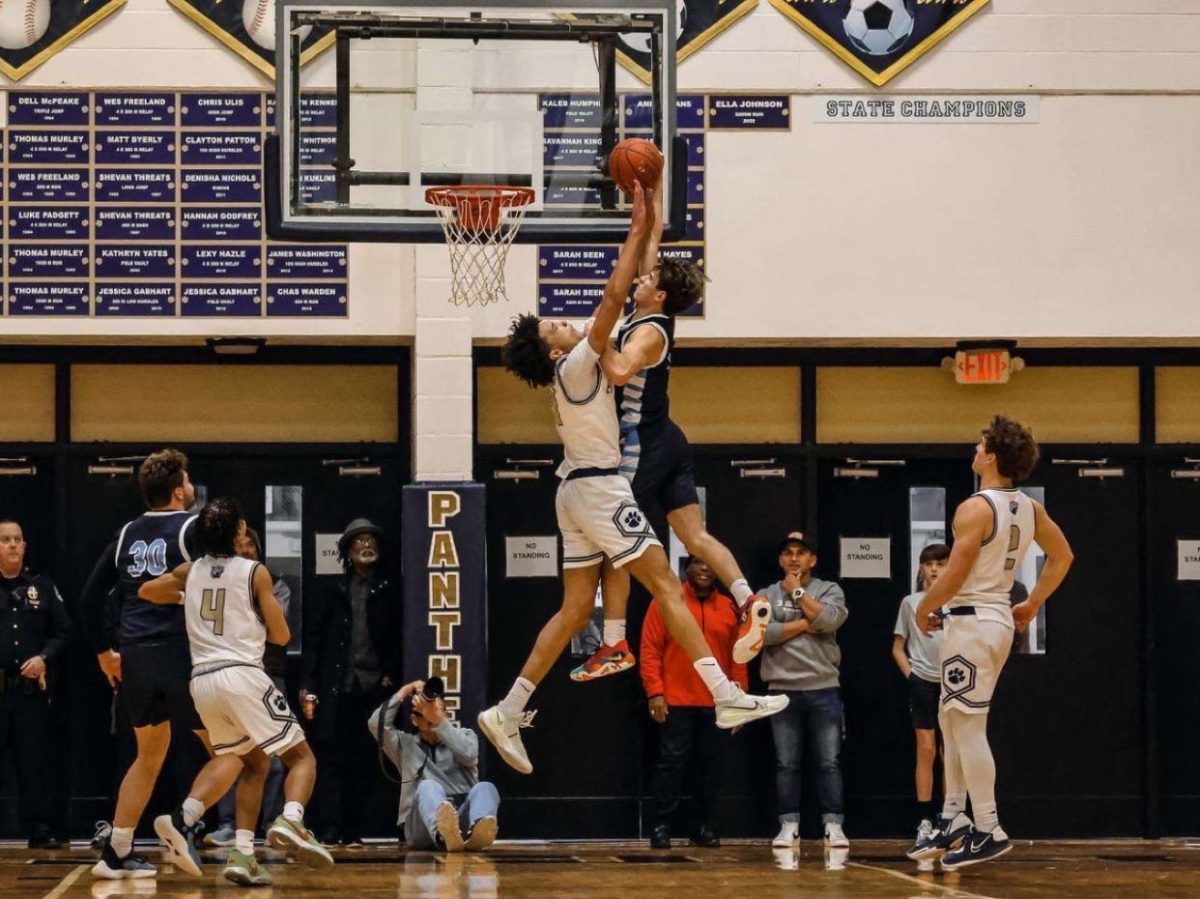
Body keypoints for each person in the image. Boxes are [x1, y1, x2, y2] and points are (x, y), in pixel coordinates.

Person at [482, 179, 786, 776]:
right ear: (552, 351)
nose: (565, 324)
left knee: (573, 612)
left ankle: (508, 708)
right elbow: (617, 289)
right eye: (554, 326)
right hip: (597, 486)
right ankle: (724, 695)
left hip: (571, 492)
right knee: (668, 589)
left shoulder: (578, 363)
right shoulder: (580, 360)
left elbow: (631, 290)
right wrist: (636, 222)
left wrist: (648, 224)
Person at [574, 187, 769, 681]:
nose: (641, 277)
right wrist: (650, 207)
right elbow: (650, 248)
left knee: (620, 541)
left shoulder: (647, 332)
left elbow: (618, 372)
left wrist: (590, 344)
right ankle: (749, 599)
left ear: (659, 294)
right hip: (669, 438)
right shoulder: (651, 313)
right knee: (695, 535)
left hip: (641, 444)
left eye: (649, 278)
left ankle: (615, 641)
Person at [138, 497, 332, 886]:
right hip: (242, 674)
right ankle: (292, 821)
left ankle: (233, 847)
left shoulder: (189, 571)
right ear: (238, 531)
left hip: (203, 684)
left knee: (253, 762)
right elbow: (282, 635)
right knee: (302, 758)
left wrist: (185, 596)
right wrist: (256, 615)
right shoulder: (255, 572)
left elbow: (147, 592)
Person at [911, 416, 1073, 869]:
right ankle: (953, 816)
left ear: (992, 456)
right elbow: (1062, 556)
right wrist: (1033, 602)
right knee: (951, 717)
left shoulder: (975, 507)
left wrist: (924, 607)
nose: (975, 450)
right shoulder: (1029, 508)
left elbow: (957, 573)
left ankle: (988, 827)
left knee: (967, 725)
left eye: (980, 445)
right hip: (995, 617)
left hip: (972, 622)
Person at [79, 449, 207, 879]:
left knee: (148, 755)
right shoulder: (193, 528)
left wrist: (103, 653)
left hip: (134, 655)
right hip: (179, 652)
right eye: (188, 481)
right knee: (230, 750)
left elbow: (89, 598)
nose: (192, 487)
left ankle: (115, 851)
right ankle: (187, 826)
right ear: (177, 490)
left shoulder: (126, 533)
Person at [300, 517, 400, 846]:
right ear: (347, 551)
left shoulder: (391, 589)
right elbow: (313, 642)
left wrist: (391, 672)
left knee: (364, 760)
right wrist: (309, 684)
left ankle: (354, 830)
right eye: (358, 542)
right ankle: (328, 829)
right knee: (331, 759)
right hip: (336, 686)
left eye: (371, 541)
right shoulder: (332, 591)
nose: (366, 546)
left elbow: (403, 635)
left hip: (373, 687)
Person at [641, 556, 745, 849]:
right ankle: (662, 826)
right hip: (676, 701)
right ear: (686, 567)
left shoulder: (729, 606)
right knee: (671, 765)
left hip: (717, 703)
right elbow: (650, 649)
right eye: (698, 563)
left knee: (711, 767)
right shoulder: (667, 601)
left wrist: (739, 699)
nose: (705, 568)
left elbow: (739, 656)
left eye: (711, 563)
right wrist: (655, 692)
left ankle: (701, 826)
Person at [760, 531, 850, 850]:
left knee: (829, 762)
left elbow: (830, 621)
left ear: (813, 559)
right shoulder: (767, 593)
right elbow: (762, 635)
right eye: (788, 553)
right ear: (780, 560)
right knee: (787, 763)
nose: (794, 558)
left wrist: (797, 593)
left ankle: (833, 825)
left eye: (801, 552)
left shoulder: (830, 589)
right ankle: (789, 825)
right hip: (781, 688)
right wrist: (803, 624)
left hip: (823, 687)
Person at [206, 526, 291, 847]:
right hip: (230, 675)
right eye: (238, 546)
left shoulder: (277, 586)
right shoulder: (218, 588)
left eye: (249, 546)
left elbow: (277, 629)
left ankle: (271, 823)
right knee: (232, 751)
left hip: (269, 675)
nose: (245, 551)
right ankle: (229, 824)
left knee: (278, 752)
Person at [0, 519, 72, 849]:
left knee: (33, 761)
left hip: (28, 692)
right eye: (5, 540)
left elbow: (63, 631)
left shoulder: (40, 586)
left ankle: (39, 827)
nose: (12, 545)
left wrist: (44, 657)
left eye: (17, 539)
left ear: (25, 546)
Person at [369, 676, 499, 852]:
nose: (429, 715)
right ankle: (441, 835)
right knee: (427, 786)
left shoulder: (466, 735)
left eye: (435, 709)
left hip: (460, 817)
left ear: (445, 713)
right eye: (423, 712)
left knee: (486, 787)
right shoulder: (404, 744)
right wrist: (403, 692)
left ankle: (478, 832)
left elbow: (468, 755)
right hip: (421, 824)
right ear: (414, 719)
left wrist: (439, 723)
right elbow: (375, 724)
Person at [891, 543, 950, 850]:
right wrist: (912, 676)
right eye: (929, 564)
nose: (934, 569)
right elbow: (897, 647)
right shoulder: (911, 603)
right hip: (923, 683)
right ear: (921, 568)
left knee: (950, 752)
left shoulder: (958, 600)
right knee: (925, 749)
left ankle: (950, 818)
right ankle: (925, 819)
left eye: (941, 563)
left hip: (954, 684)